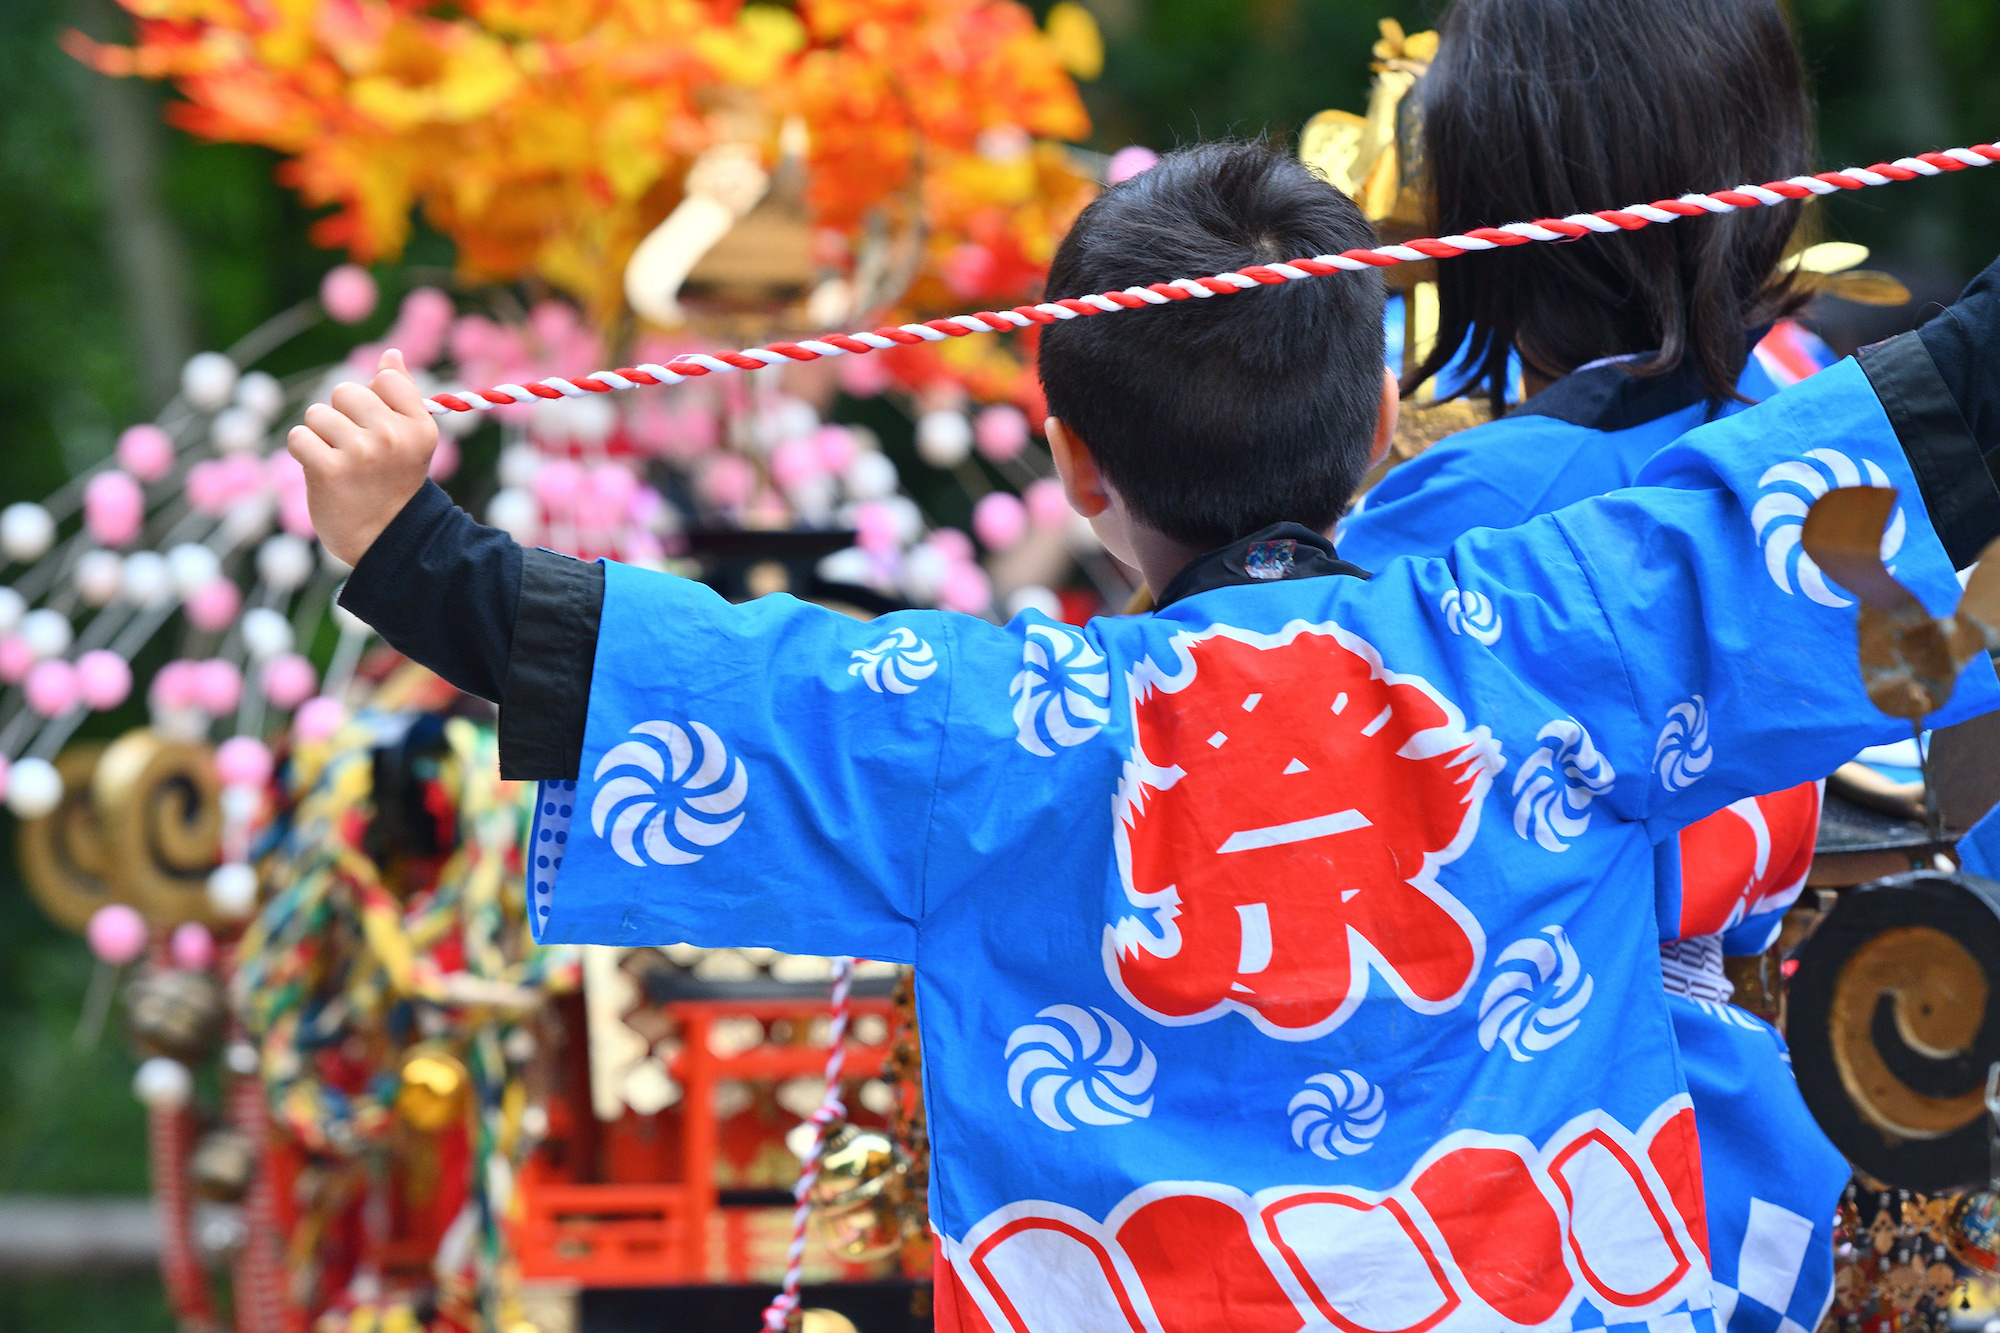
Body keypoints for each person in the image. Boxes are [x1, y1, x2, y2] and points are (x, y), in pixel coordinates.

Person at [297, 144, 2000, 1333]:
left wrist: (400, 540)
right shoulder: (1552, 637)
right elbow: (1922, 434)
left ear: (1074, 469)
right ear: (1383, 425)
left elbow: (658, 673)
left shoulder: (989, 735)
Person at [1338, 2, 1853, 1323]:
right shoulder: (1814, 464)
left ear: (1490, 209)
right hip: (1749, 1131)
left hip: (1531, 1131)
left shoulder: (1470, 508)